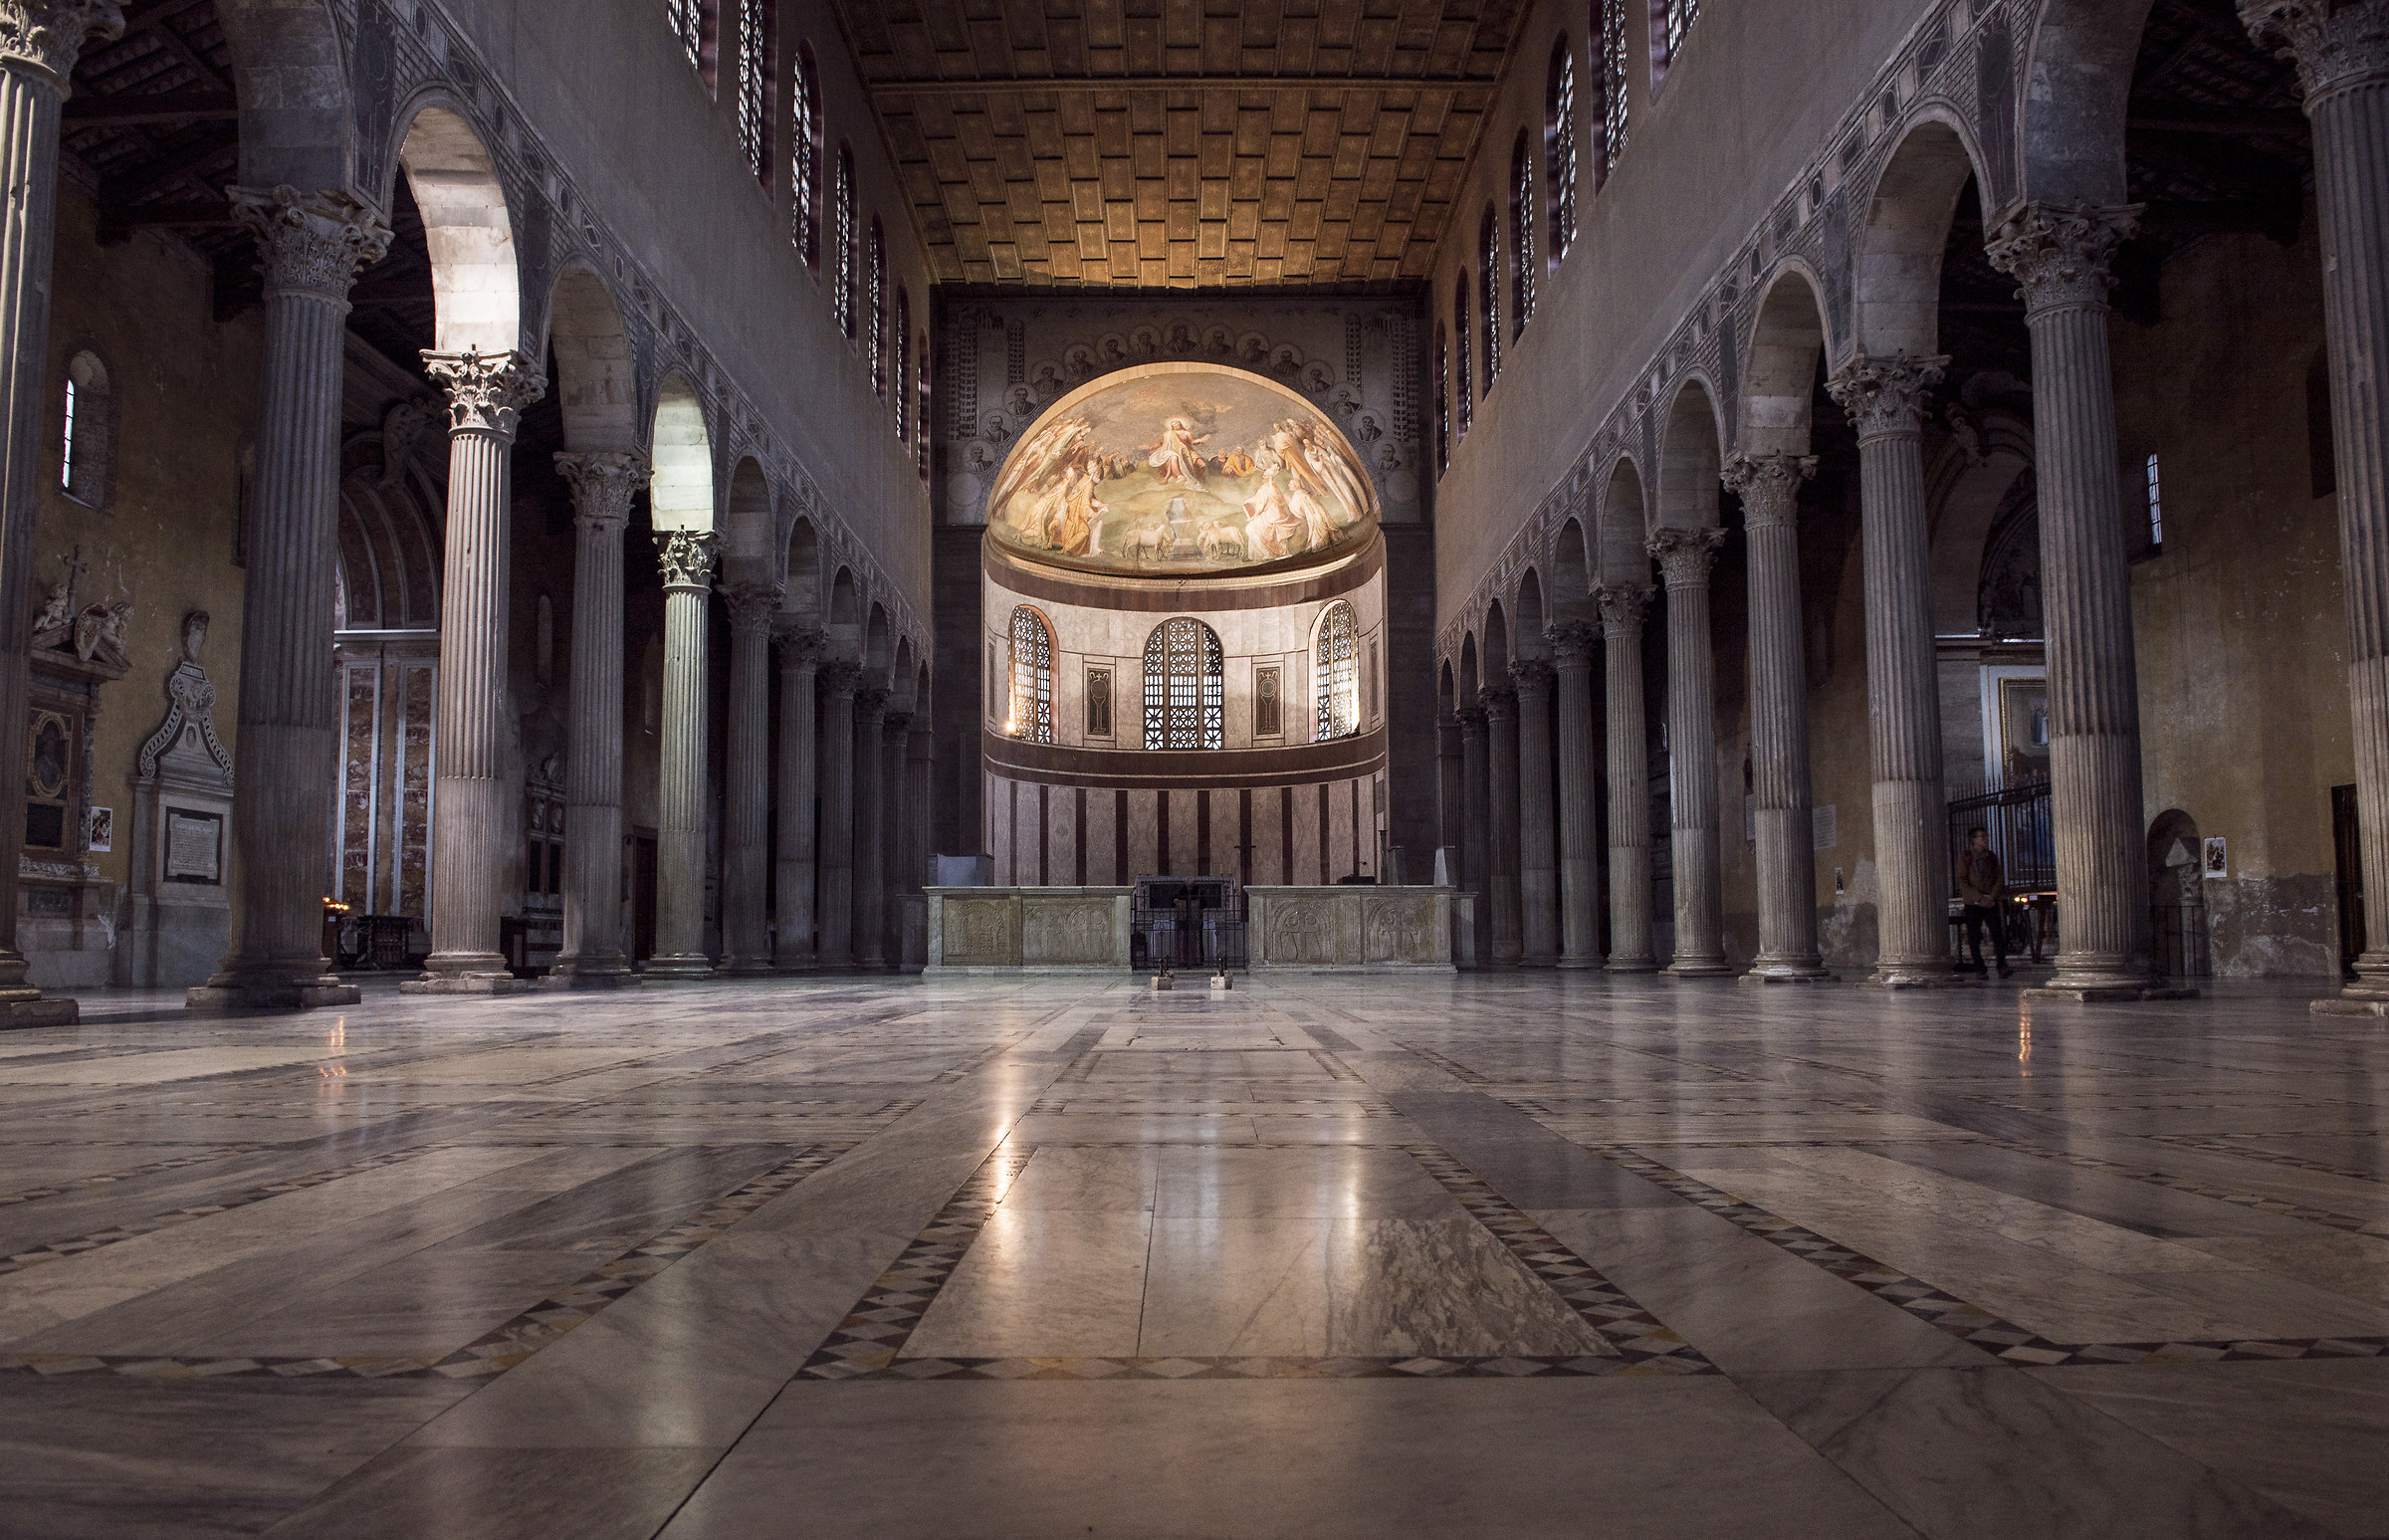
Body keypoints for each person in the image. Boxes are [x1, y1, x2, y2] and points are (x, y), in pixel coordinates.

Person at [1957, 825, 2010, 979]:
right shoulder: (1965, 857)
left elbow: (1999, 878)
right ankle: (1980, 968)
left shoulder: (1991, 857)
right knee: (1974, 936)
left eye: (1986, 837)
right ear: (1973, 840)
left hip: (1990, 901)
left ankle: (2002, 965)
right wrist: (1979, 898)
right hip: (1973, 903)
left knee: (1997, 933)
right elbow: (1963, 880)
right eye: (1982, 837)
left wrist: (1991, 897)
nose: (1985, 840)